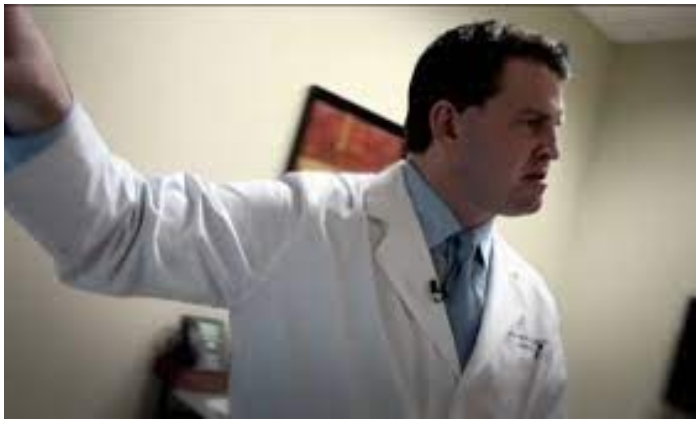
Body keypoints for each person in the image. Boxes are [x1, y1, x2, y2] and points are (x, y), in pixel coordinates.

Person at [5, 5, 570, 418]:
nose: (554, 148)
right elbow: (120, 229)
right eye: (532, 123)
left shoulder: (534, 303)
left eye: (556, 126)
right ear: (448, 124)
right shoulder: (302, 222)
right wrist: (39, 101)